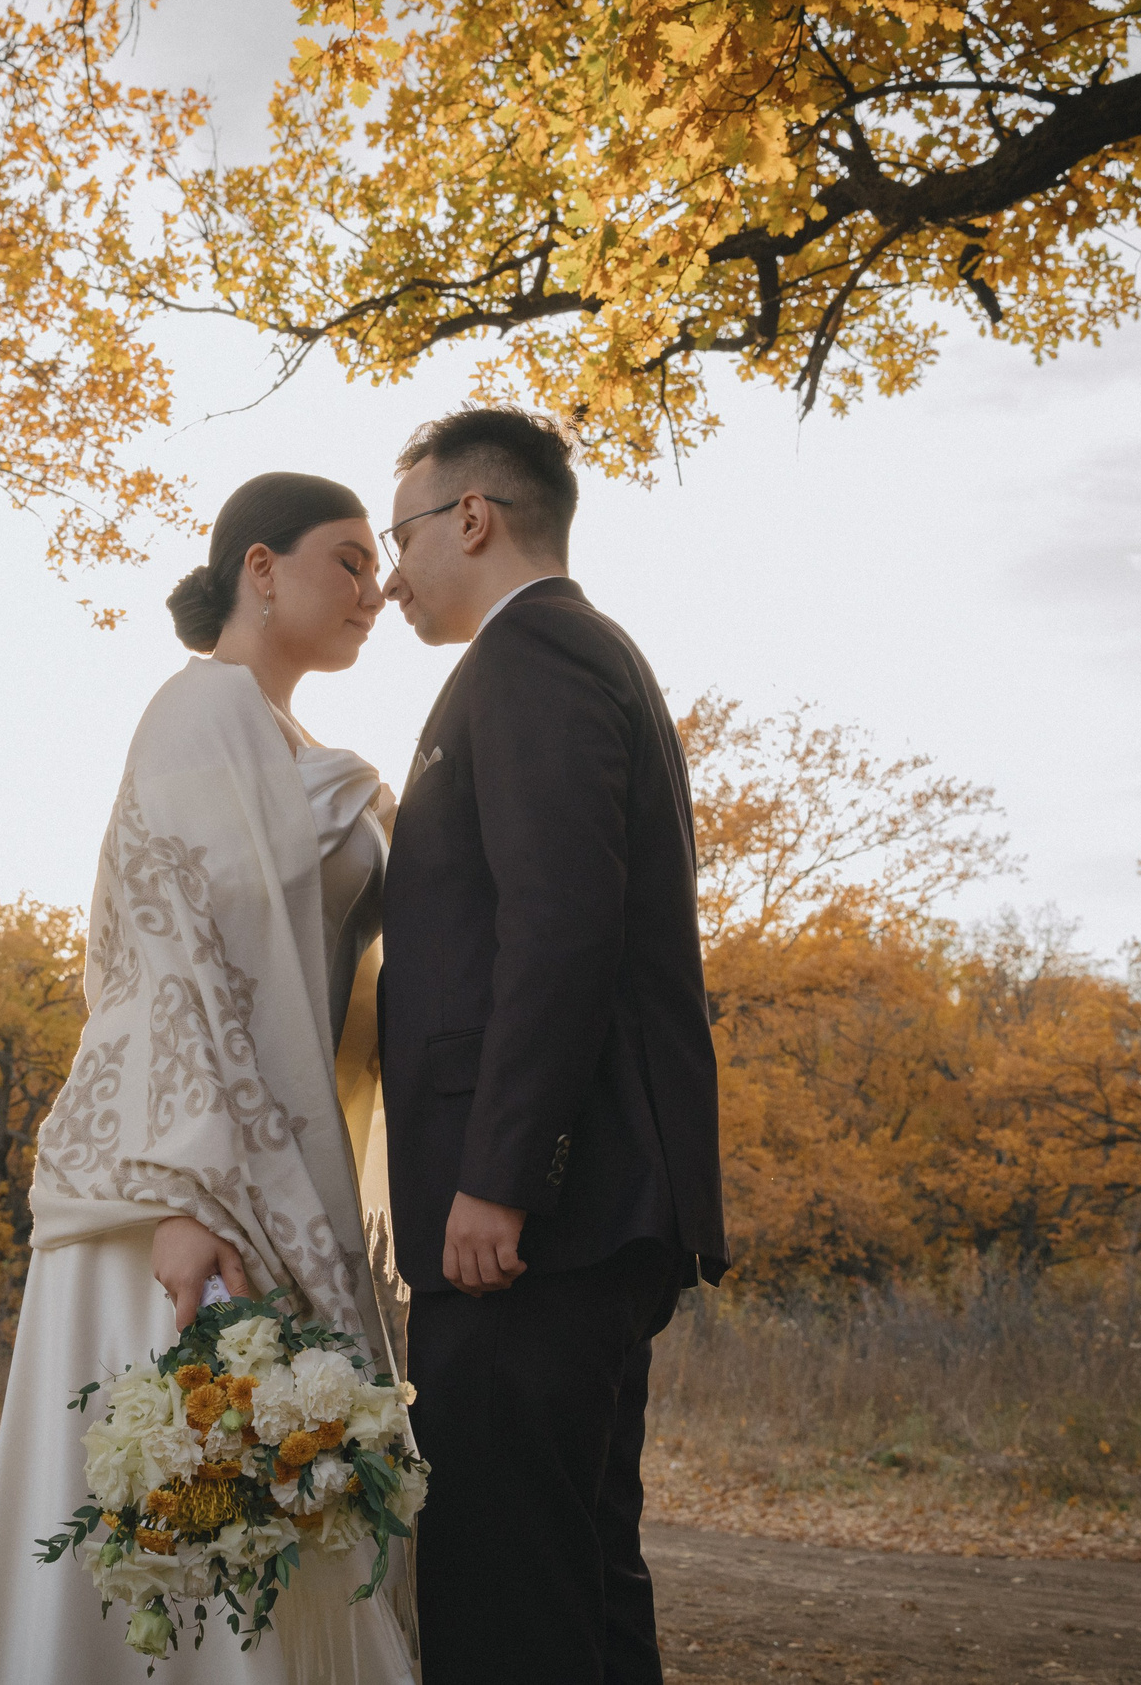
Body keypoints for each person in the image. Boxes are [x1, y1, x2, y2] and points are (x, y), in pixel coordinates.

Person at [0, 473, 417, 1685]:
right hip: (183, 1190)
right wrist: (187, 1197)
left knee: (271, 1516)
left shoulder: (287, 735)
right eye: (349, 561)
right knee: (187, 1525)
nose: (376, 589)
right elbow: (172, 964)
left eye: (378, 565)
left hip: (260, 1158)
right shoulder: (200, 709)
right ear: (260, 569)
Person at [374, 408, 727, 1685]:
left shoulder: (536, 660)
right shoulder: (575, 657)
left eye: (400, 533)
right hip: (577, 1214)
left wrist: (500, 1174)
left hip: (539, 1221)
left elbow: (562, 925)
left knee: (507, 1582)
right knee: (572, 1570)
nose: (393, 570)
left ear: (472, 515)